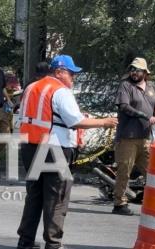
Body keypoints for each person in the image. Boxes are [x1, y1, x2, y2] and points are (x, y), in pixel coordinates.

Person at [17, 54, 117, 249]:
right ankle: (53, 244)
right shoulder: (60, 91)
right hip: (54, 149)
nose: (73, 77)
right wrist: (105, 122)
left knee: (34, 196)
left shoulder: (31, 87)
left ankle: (25, 241)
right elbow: (76, 121)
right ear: (59, 72)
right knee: (57, 197)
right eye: (71, 73)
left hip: (30, 147)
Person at [112, 57, 155, 216]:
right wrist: (143, 116)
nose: (134, 72)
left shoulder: (151, 86)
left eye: (138, 70)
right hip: (128, 137)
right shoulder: (126, 86)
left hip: (145, 137)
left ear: (145, 72)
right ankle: (119, 203)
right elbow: (125, 107)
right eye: (132, 69)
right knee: (124, 170)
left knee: (152, 171)